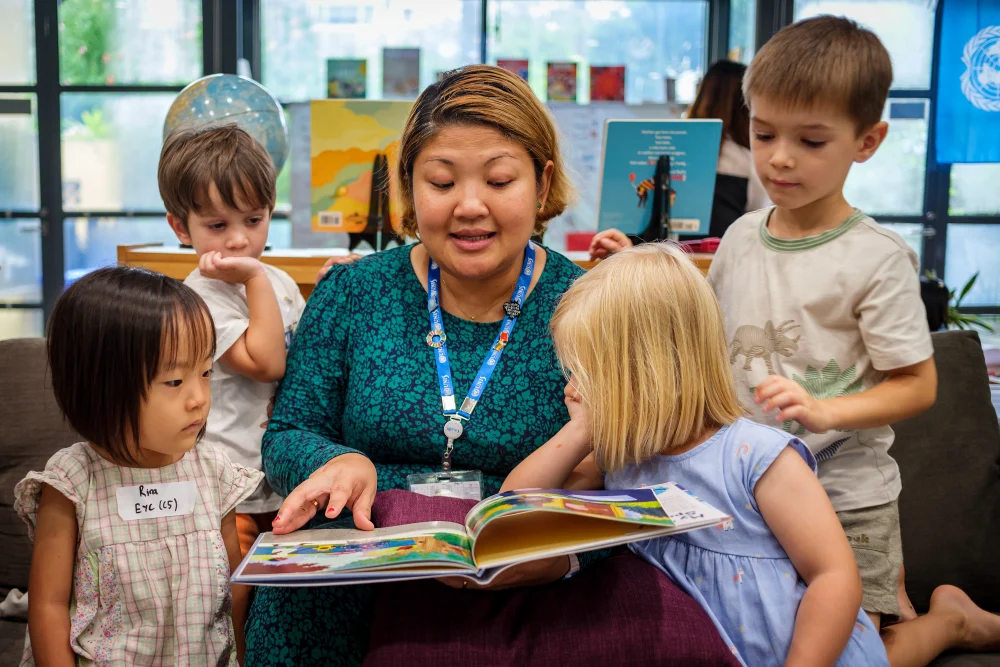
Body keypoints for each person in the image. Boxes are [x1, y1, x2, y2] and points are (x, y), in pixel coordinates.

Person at [243, 64, 613, 666]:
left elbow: (626, 478)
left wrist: (566, 559)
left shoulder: (592, 307)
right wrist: (337, 460)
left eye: (499, 181)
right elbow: (288, 433)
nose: (470, 206)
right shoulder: (353, 294)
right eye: (442, 182)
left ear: (542, 185)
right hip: (358, 562)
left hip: (528, 575)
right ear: (410, 186)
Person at [707, 16, 1000, 666]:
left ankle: (951, 622)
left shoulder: (875, 258)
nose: (780, 156)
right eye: (763, 134)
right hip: (750, 484)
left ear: (867, 141)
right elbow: (706, 338)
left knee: (855, 653)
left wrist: (825, 410)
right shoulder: (738, 238)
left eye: (811, 140)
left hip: (846, 490)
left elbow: (918, 384)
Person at [502, 243, 889, 666]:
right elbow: (513, 510)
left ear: (655, 373)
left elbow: (834, 576)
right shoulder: (625, 456)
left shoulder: (757, 458)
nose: (574, 387)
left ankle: (945, 625)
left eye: (591, 373)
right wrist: (581, 429)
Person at [14, 266, 262, 665]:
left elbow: (234, 590)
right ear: (102, 387)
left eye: (205, 372)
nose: (199, 398)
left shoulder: (216, 472)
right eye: (174, 382)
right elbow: (48, 607)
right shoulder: (73, 481)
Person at [589, 59, 769, 259]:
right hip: (716, 262)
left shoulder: (656, 147)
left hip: (647, 262)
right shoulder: (748, 158)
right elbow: (758, 217)